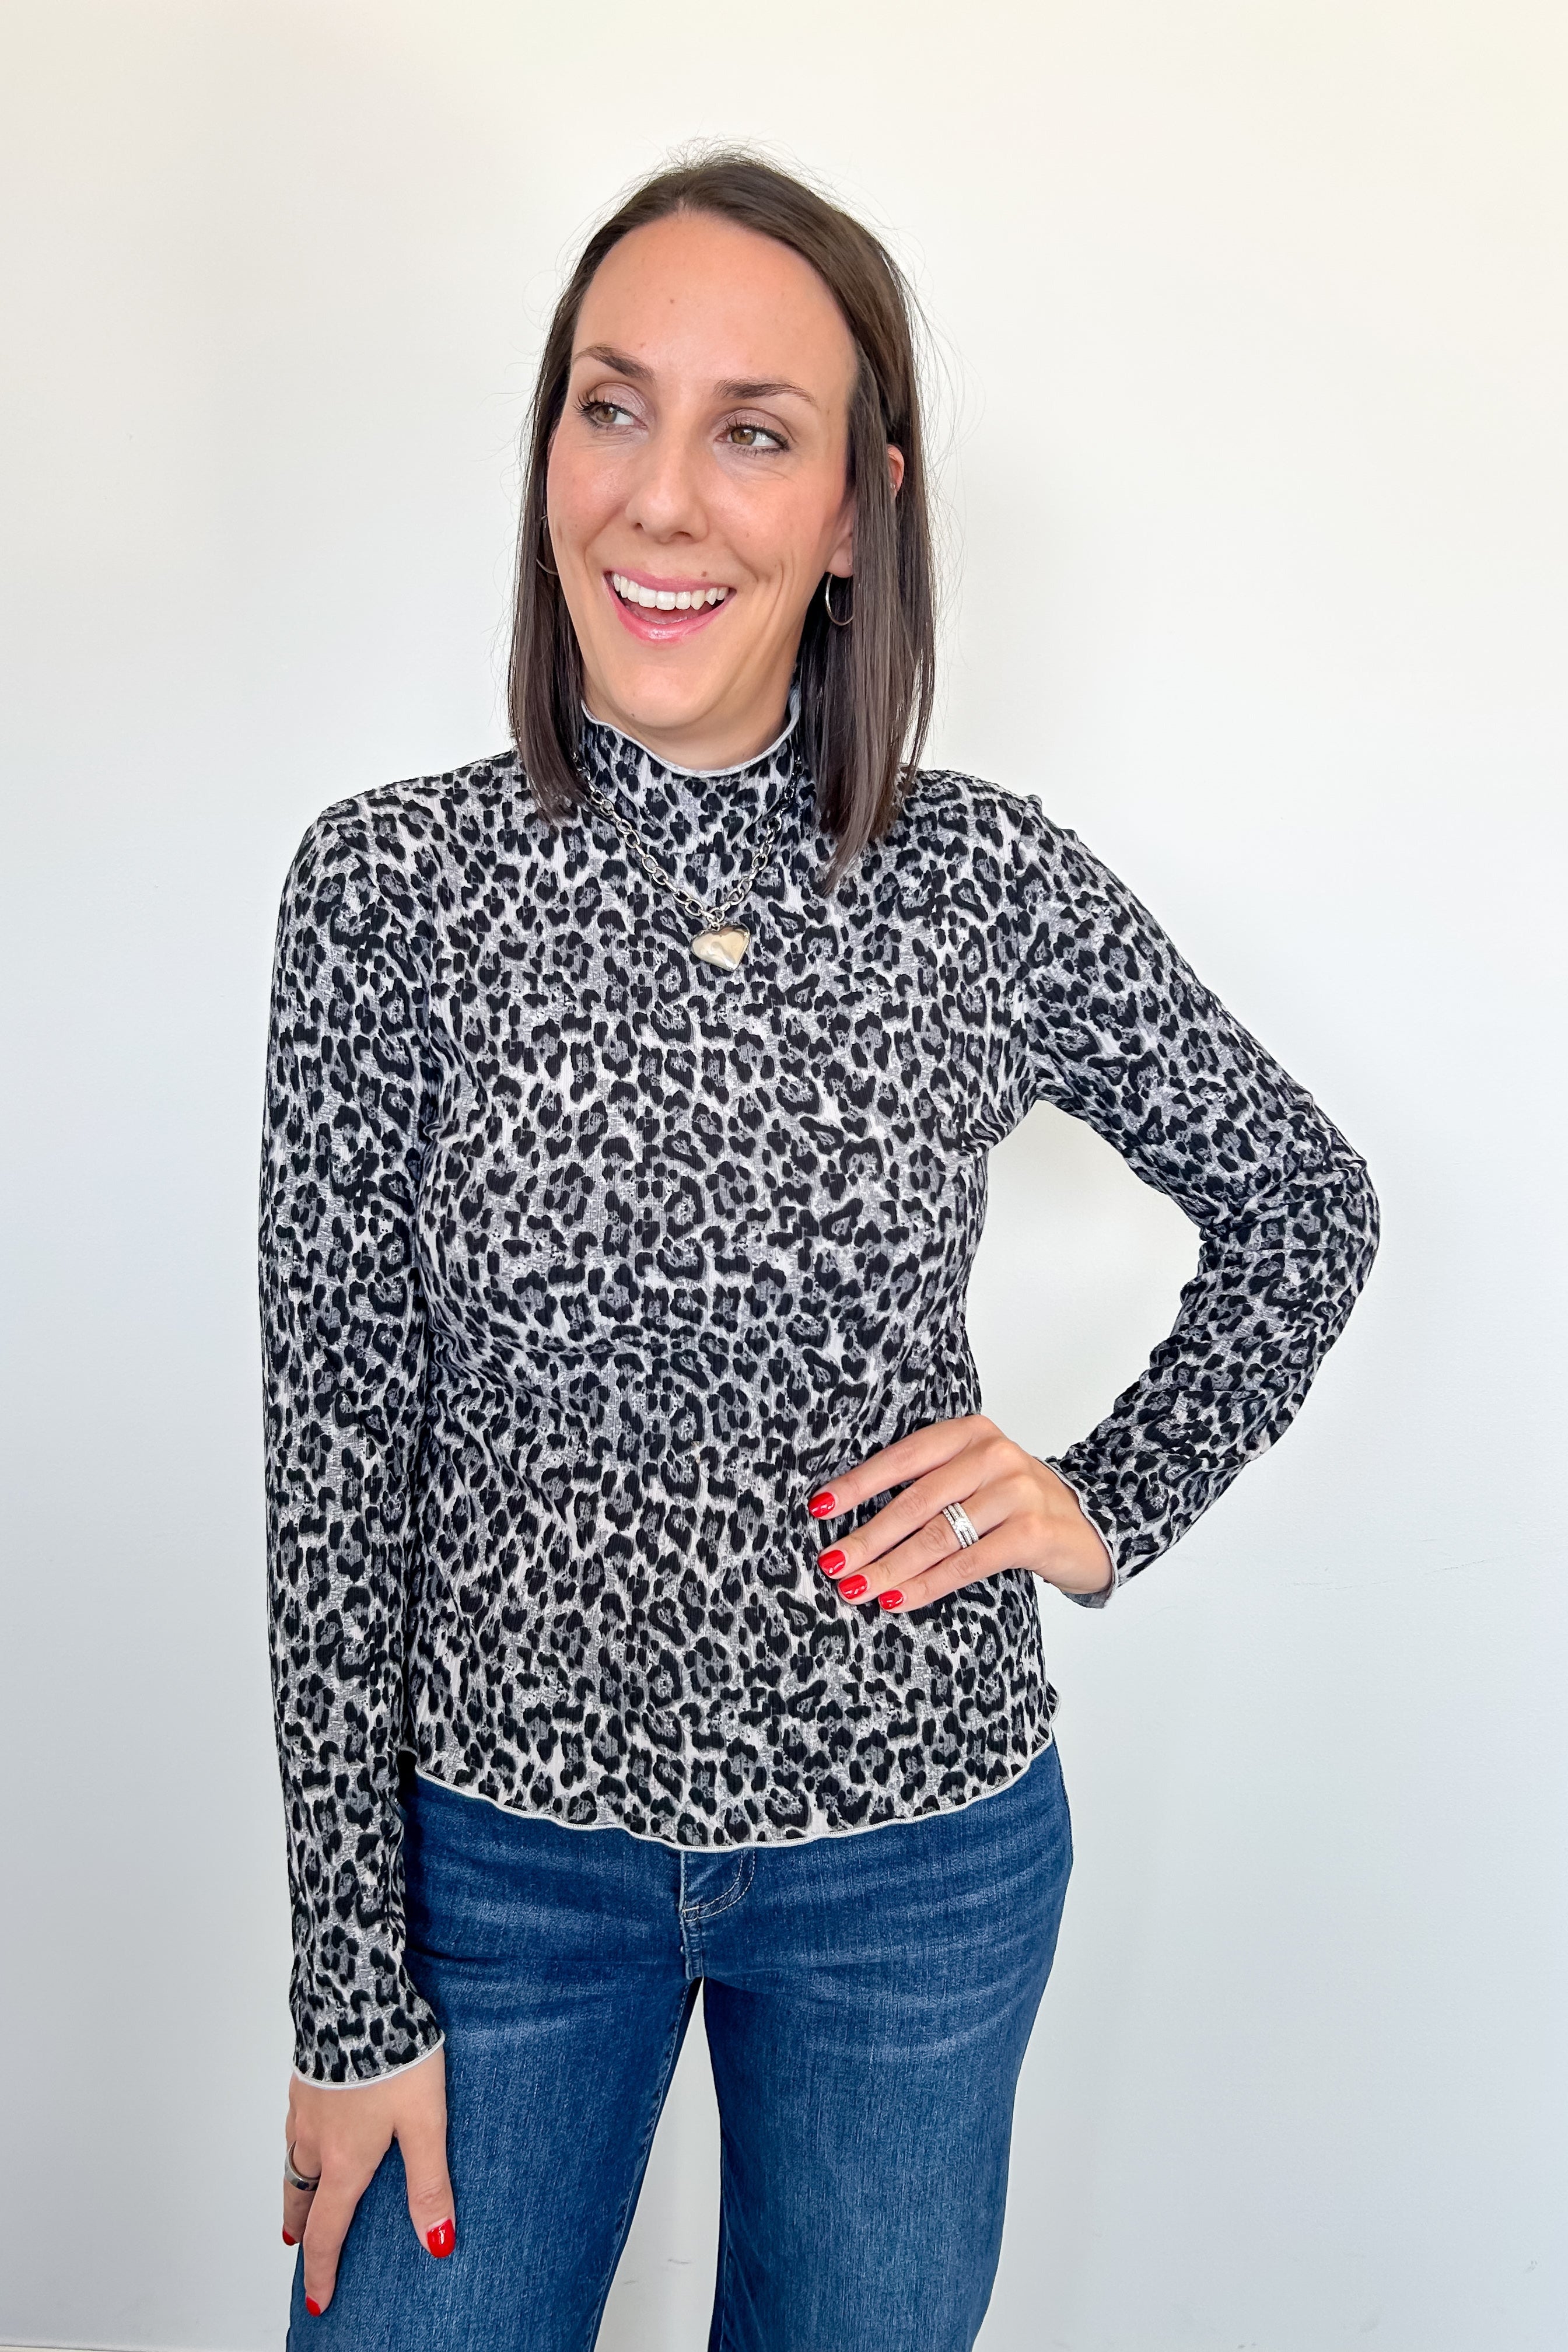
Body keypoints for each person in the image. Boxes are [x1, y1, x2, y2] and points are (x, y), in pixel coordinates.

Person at [260, 151, 1378, 2352]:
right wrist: (345, 1986)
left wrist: (1101, 1499)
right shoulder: (388, 893)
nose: (661, 499)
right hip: (492, 1876)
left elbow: (1306, 1203)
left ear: (860, 506)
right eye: (611, 408)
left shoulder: (983, 889)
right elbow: (333, 1469)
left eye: (751, 431)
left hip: (916, 1870)